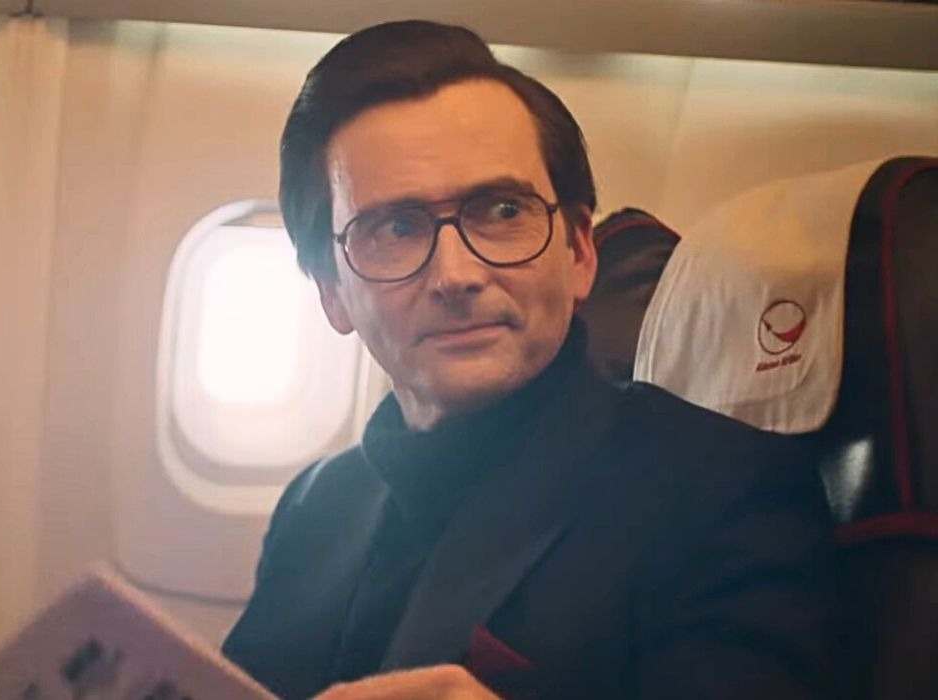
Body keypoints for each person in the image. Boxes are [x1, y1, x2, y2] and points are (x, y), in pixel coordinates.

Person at [221, 21, 838, 699]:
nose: (456, 275)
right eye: (396, 228)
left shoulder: (725, 491)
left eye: (502, 210)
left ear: (579, 251)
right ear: (332, 293)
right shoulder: (316, 507)